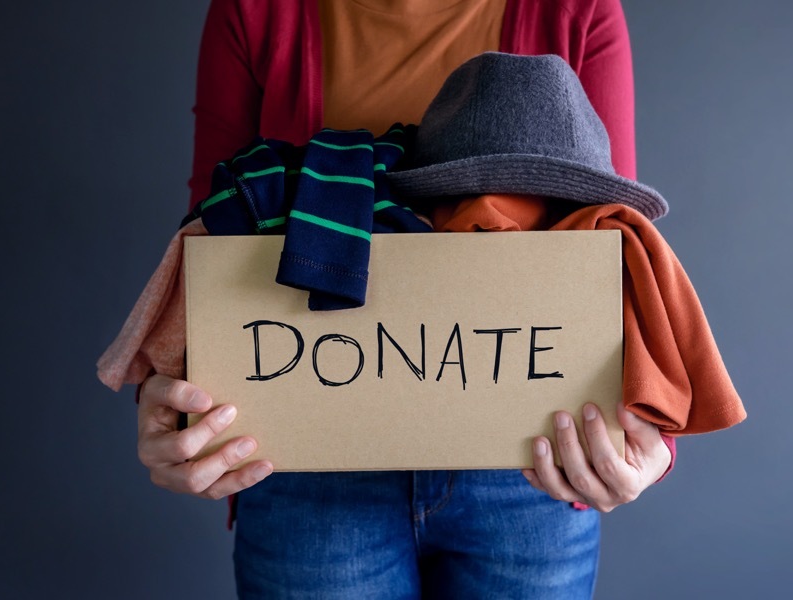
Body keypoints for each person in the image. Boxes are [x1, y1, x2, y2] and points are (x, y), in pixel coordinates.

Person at [136, 0, 675, 596]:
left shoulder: (577, 9)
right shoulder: (258, 11)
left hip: (529, 459)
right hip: (310, 454)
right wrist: (176, 398)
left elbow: (616, 245)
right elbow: (209, 233)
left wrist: (649, 440)